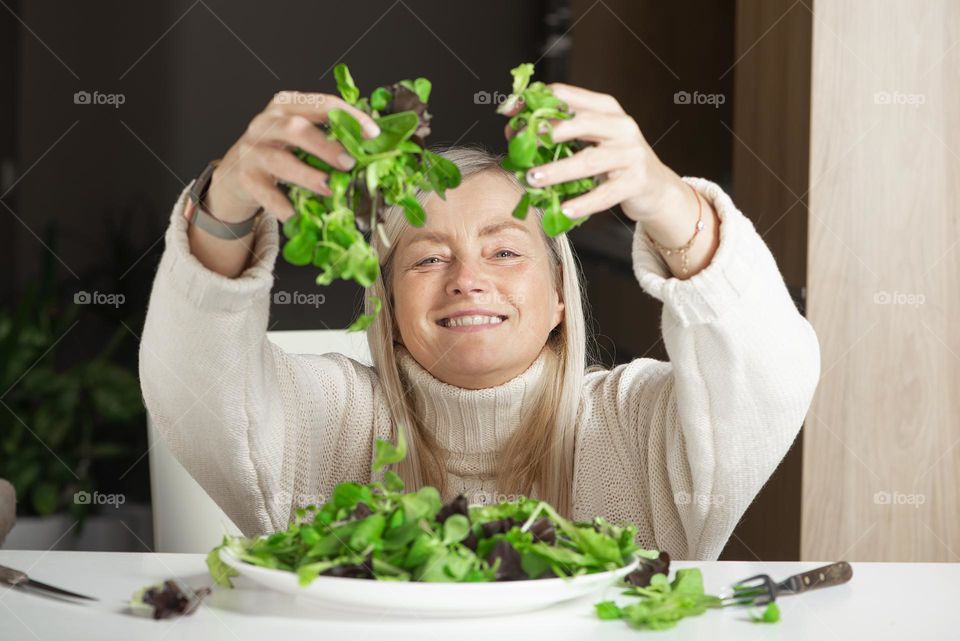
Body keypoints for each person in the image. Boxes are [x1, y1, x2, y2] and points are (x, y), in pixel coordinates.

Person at [139, 84, 820, 560]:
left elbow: (773, 377)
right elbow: (192, 386)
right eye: (428, 257)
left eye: (504, 250)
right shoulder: (327, 421)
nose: (467, 277)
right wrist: (225, 207)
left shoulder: (638, 424)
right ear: (391, 309)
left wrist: (667, 200)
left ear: (560, 299)